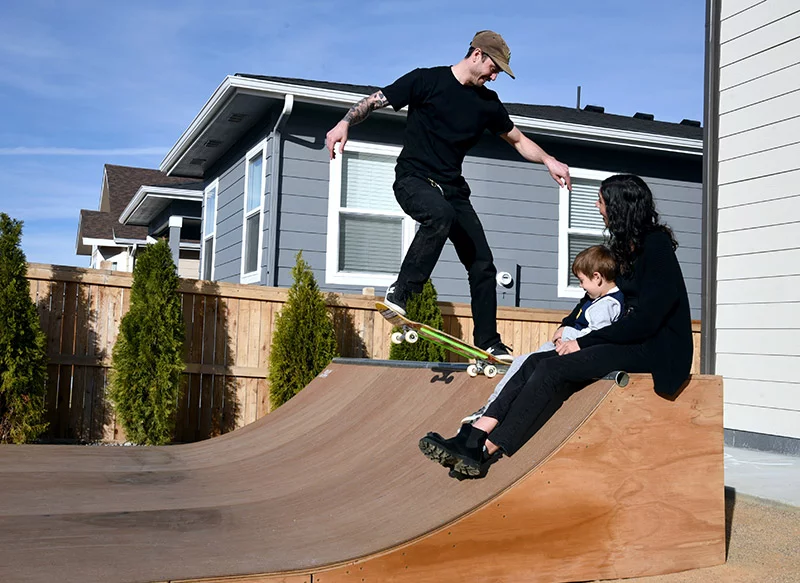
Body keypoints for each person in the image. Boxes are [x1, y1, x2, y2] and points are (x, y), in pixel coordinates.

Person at [419, 174, 693, 477]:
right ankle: (470, 437)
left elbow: (648, 318)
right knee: (534, 361)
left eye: (601, 200)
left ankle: (485, 450)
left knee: (552, 369)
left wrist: (583, 342)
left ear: (619, 206)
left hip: (656, 348)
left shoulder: (655, 245)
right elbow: (592, 294)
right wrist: (567, 324)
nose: (596, 205)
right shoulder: (625, 246)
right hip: (630, 338)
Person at [325, 30, 572, 363]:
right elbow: (375, 100)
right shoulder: (426, 81)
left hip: (453, 189)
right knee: (439, 215)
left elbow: (516, 139)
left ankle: (488, 340)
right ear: (477, 55)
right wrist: (345, 122)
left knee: (482, 263)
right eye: (493, 68)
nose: (494, 76)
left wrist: (548, 159)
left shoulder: (487, 104)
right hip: (413, 179)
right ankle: (403, 291)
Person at [461, 244, 624, 424]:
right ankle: (494, 407)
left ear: (597, 277)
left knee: (523, 366)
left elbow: (596, 335)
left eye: (582, 280)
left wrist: (566, 333)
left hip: (572, 353)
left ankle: (493, 409)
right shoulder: (597, 299)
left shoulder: (607, 305)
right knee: (521, 364)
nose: (581, 286)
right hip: (564, 348)